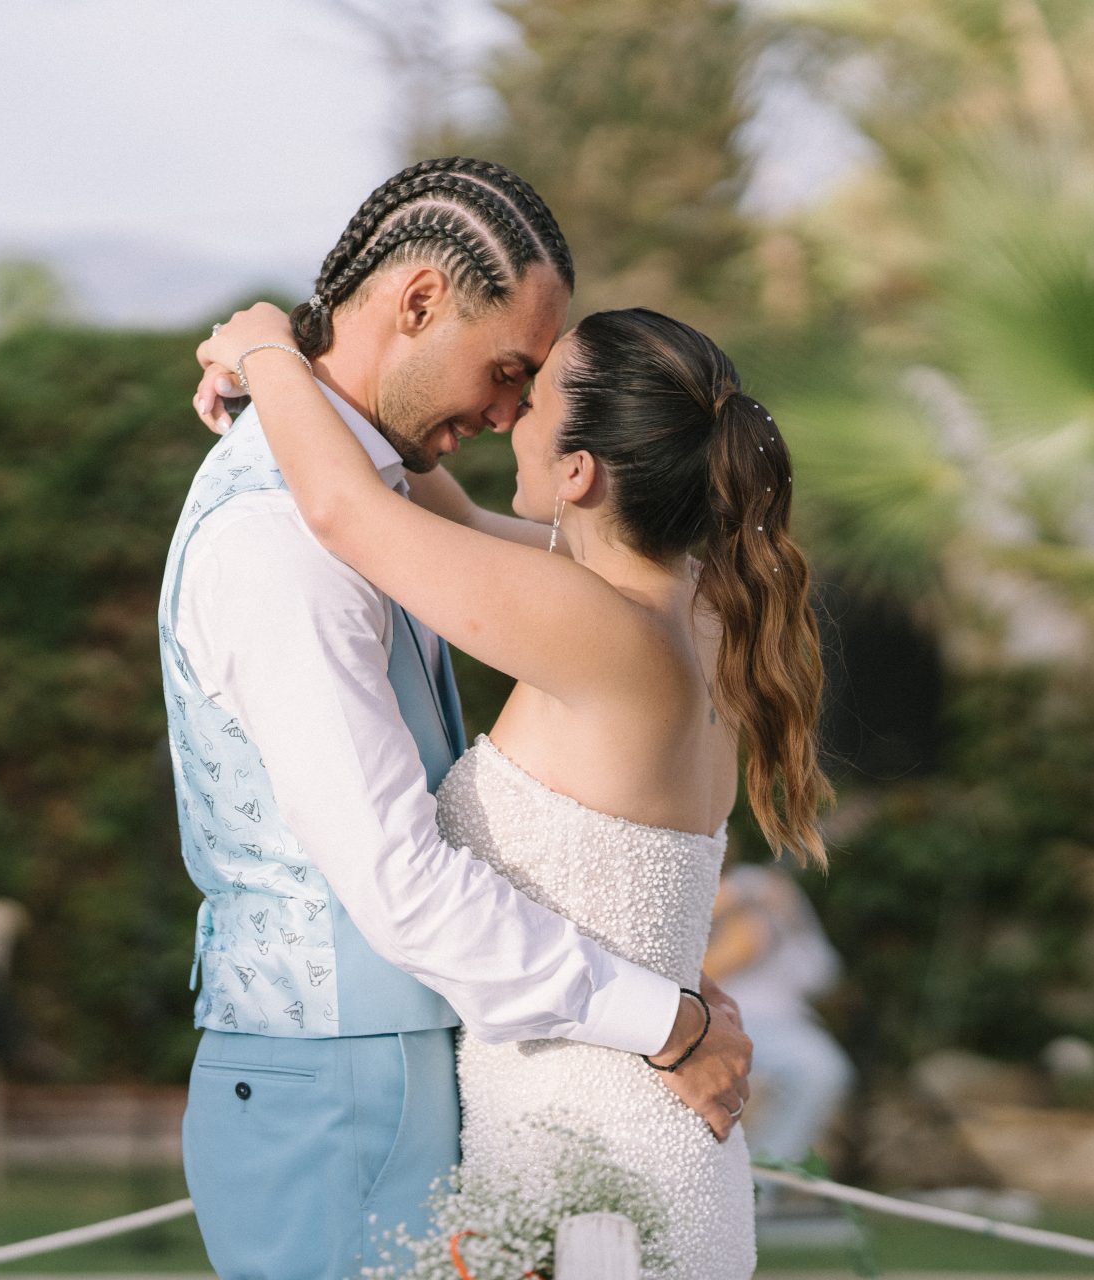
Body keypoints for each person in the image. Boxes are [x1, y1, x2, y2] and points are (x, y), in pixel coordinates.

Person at [161, 157, 753, 1280]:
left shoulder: (398, 522)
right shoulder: (282, 538)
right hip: (342, 1084)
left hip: (482, 1081)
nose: (506, 412)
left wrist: (272, 355)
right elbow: (400, 884)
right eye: (508, 370)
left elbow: (369, 496)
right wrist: (666, 1011)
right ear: (422, 300)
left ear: (584, 471)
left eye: (532, 390)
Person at [705, 861, 855, 1212]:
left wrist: (791, 921)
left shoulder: (774, 891)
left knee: (825, 1070)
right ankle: (738, 1188)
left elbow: (821, 974)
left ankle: (757, 1187)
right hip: (719, 1015)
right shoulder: (726, 890)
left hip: (783, 1023)